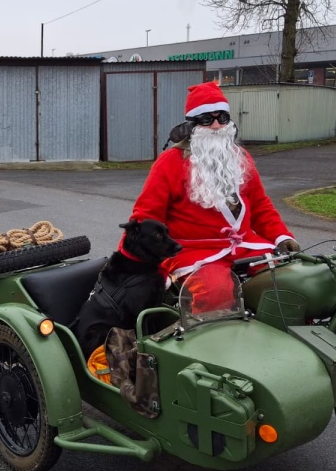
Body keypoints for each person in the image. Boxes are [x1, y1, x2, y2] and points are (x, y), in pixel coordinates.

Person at [125, 81, 299, 309]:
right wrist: (130, 262)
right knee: (215, 293)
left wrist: (282, 237)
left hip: (245, 245)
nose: (216, 126)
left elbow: (260, 205)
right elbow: (146, 216)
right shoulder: (170, 162)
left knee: (291, 280)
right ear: (192, 125)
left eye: (222, 118)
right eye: (207, 119)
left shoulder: (240, 157)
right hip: (194, 252)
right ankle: (214, 341)